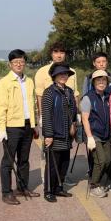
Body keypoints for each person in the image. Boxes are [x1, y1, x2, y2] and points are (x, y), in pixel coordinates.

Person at [0, 49, 40, 205]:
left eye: (21, 61)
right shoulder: (3, 83)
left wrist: (34, 124)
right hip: (12, 127)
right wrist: (2, 128)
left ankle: (22, 187)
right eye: (15, 62)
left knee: (24, 160)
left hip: (27, 125)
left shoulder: (29, 81)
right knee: (8, 161)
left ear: (25, 63)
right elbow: (0, 107)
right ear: (10, 64)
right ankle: (6, 192)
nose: (19, 64)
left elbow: (33, 105)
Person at [34, 41, 79, 183]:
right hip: (51, 118)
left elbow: (75, 94)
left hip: (67, 118)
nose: (59, 55)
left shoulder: (72, 72)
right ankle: (47, 178)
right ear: (51, 54)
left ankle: (60, 179)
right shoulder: (42, 72)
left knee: (65, 149)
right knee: (50, 149)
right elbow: (40, 95)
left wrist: (75, 116)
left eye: (62, 52)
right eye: (56, 52)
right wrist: (41, 116)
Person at [41, 63, 78, 202]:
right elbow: (46, 115)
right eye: (60, 74)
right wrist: (48, 135)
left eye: (65, 74)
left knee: (64, 163)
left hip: (67, 135)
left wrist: (74, 123)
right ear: (54, 76)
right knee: (52, 165)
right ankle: (48, 191)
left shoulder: (69, 91)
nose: (63, 76)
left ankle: (58, 188)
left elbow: (73, 110)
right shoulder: (49, 92)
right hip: (55, 135)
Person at [80, 70, 111, 198]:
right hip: (94, 134)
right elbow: (84, 119)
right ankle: (94, 185)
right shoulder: (88, 98)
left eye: (104, 80)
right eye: (98, 80)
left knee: (108, 160)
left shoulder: (108, 96)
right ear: (93, 82)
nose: (101, 83)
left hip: (106, 134)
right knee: (100, 160)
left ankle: (99, 182)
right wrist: (89, 137)